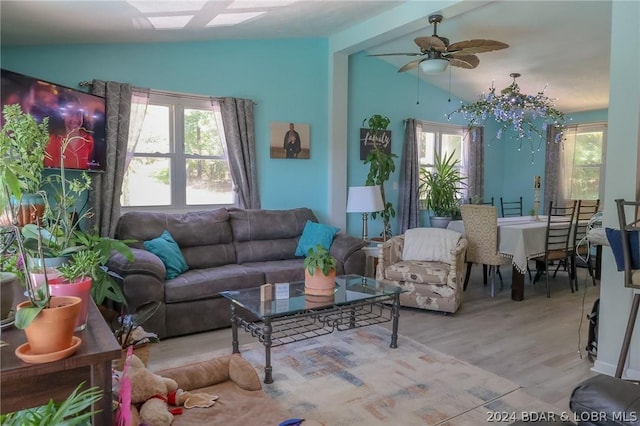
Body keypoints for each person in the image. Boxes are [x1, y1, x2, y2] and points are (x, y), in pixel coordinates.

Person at [45, 92, 94, 170]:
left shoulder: (88, 139)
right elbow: (49, 170)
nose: (75, 119)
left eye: (78, 114)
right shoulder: (53, 139)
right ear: (62, 115)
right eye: (71, 113)